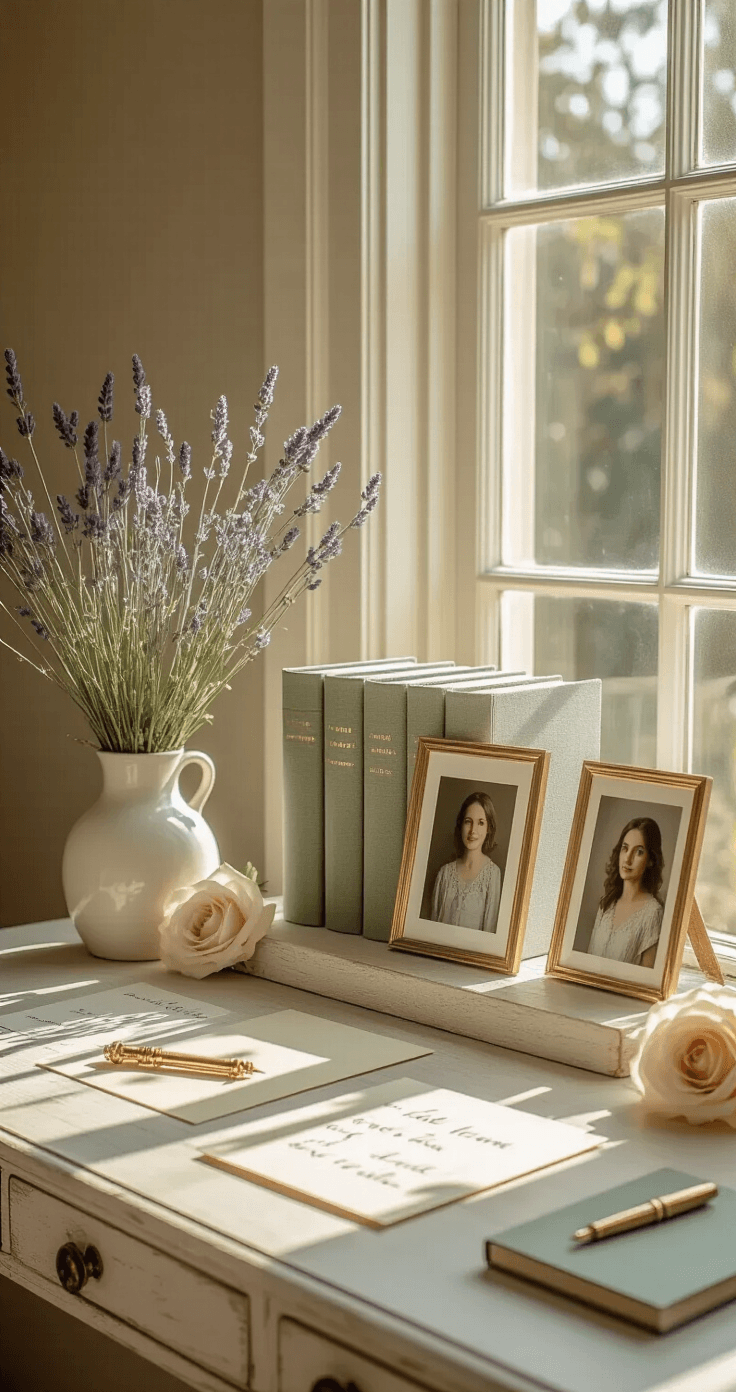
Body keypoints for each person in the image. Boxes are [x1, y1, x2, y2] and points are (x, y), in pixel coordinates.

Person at [587, 817, 664, 967]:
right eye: (625, 848)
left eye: (639, 852)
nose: (627, 859)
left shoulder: (653, 913)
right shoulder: (606, 904)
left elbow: (645, 977)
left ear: (651, 860)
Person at [430, 791, 501, 933]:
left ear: (488, 828)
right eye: (468, 822)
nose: (473, 830)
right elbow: (432, 927)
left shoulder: (492, 875)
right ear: (461, 824)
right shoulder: (444, 873)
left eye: (481, 823)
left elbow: (489, 931)